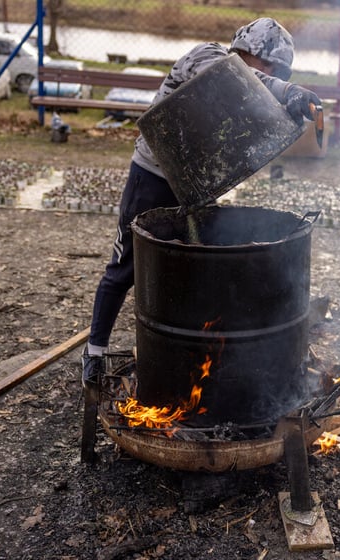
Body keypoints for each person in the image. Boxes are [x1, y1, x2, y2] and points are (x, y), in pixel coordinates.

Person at [81, 18, 321, 384]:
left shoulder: (255, 89)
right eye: (273, 68)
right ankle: (94, 352)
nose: (275, 76)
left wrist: (293, 111)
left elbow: (262, 132)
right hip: (153, 178)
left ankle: (191, 353)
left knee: (192, 269)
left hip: (196, 190)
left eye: (281, 72)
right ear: (249, 52)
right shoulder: (206, 57)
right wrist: (285, 89)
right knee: (125, 268)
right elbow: (237, 79)